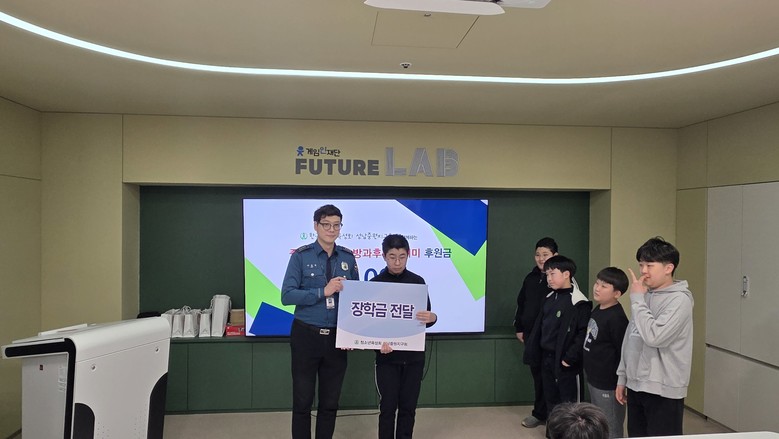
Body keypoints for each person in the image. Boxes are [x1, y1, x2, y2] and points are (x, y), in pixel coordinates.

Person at [281, 204, 360, 439]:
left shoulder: (348, 258)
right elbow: (287, 296)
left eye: (336, 225)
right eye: (326, 224)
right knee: (303, 400)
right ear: (316, 226)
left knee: (330, 402)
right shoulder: (300, 256)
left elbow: (355, 300)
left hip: (336, 337)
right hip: (306, 335)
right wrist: (322, 292)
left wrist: (351, 332)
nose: (331, 229)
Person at [616, 237, 693, 437]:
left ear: (669, 268)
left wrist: (637, 299)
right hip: (636, 384)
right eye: (641, 265)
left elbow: (655, 337)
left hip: (663, 389)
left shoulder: (680, 300)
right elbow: (631, 339)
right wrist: (623, 377)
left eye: (649, 265)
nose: (643, 271)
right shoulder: (645, 295)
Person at [370, 234, 437, 439]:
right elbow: (368, 325)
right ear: (384, 256)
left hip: (413, 357)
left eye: (402, 257)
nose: (397, 262)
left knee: (408, 408)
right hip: (387, 358)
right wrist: (377, 344)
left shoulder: (417, 282)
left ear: (408, 255)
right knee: (387, 408)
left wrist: (433, 317)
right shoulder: (374, 284)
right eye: (392, 257)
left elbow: (426, 317)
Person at [523, 255, 592, 437]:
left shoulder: (579, 302)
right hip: (546, 358)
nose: (549, 279)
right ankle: (553, 433)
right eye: (547, 275)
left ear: (566, 274)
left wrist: (570, 358)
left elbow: (582, 334)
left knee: (570, 404)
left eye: (552, 274)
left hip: (566, 361)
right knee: (550, 398)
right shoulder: (549, 297)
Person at [515, 237, 559, 428]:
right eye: (538, 255)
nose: (541, 259)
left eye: (545, 255)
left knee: (551, 379)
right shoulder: (530, 278)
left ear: (555, 255)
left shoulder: (561, 280)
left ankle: (555, 418)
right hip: (531, 337)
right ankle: (539, 413)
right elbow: (521, 304)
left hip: (551, 339)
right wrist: (519, 327)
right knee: (538, 377)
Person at [583, 267, 629, 438]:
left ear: (617, 293)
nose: (597, 288)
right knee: (598, 421)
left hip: (608, 382)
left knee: (610, 424)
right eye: (597, 283)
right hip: (594, 377)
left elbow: (623, 351)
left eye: (604, 286)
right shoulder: (599, 308)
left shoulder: (617, 318)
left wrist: (621, 382)